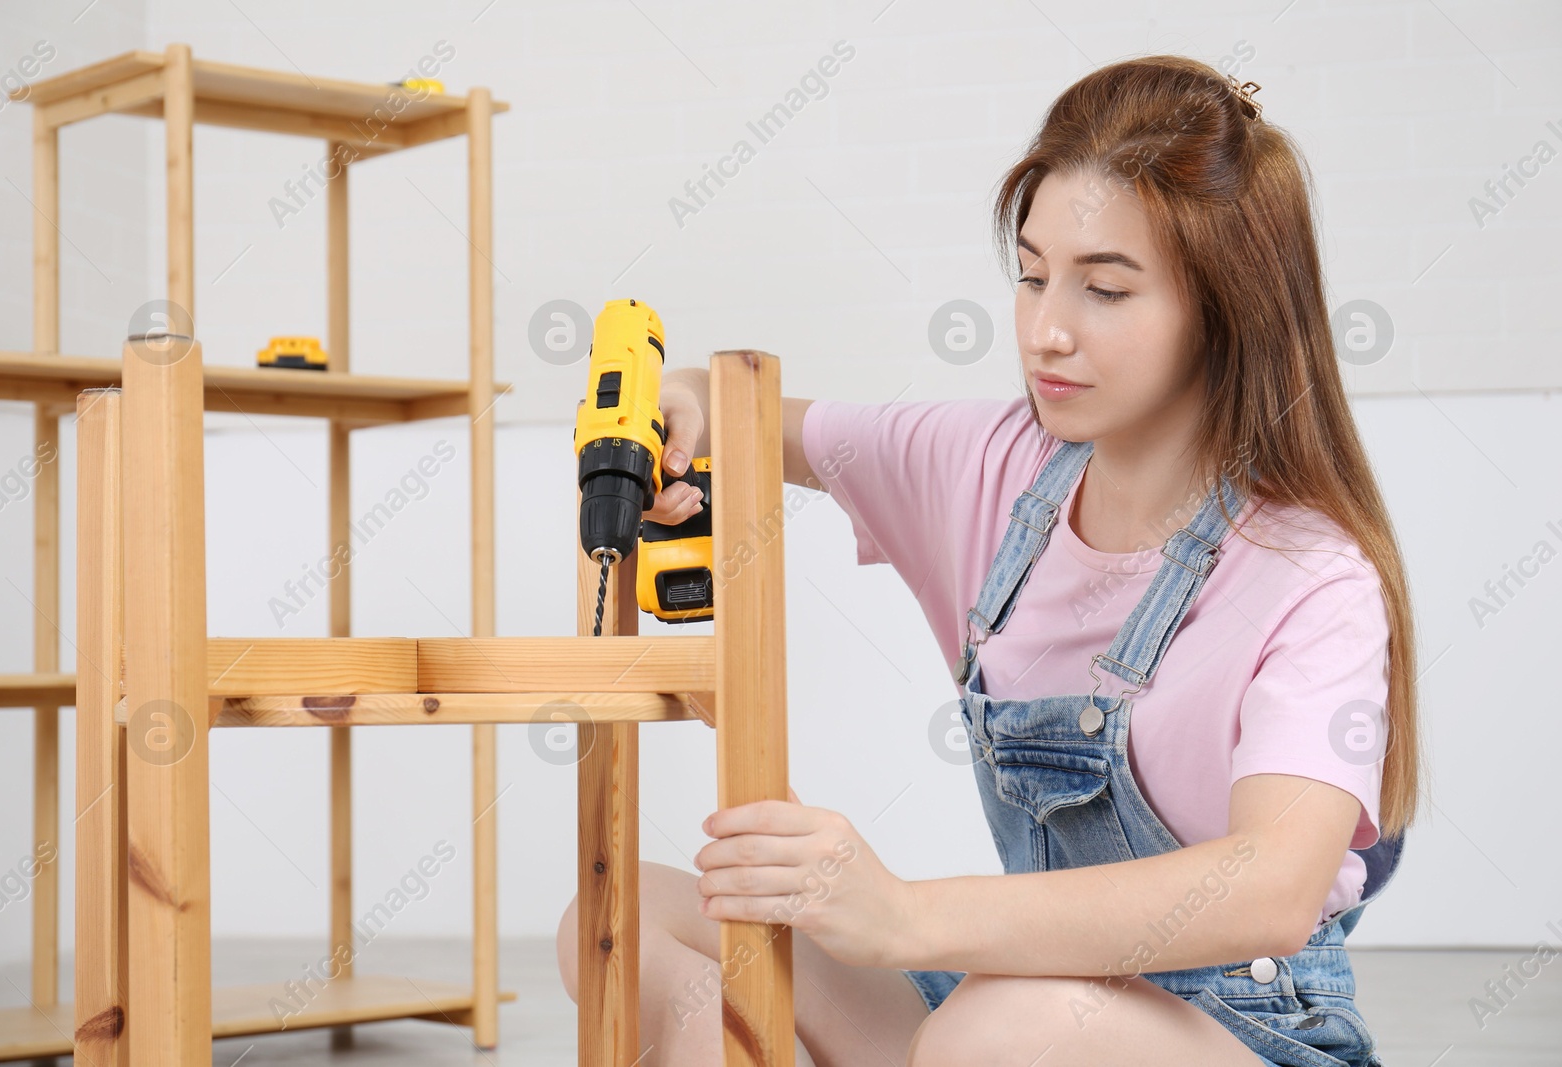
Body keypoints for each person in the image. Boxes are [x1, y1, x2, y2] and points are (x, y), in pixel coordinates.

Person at [557, 53, 1420, 1067]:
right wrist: (689, 404)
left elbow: (1270, 885)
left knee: (990, 1029)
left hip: (1245, 1029)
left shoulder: (1309, 571)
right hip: (1013, 1011)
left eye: (1103, 287)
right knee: (623, 915)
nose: (1046, 330)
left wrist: (900, 915)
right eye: (1030, 273)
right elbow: (743, 413)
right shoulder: (989, 465)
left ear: (1226, 309)